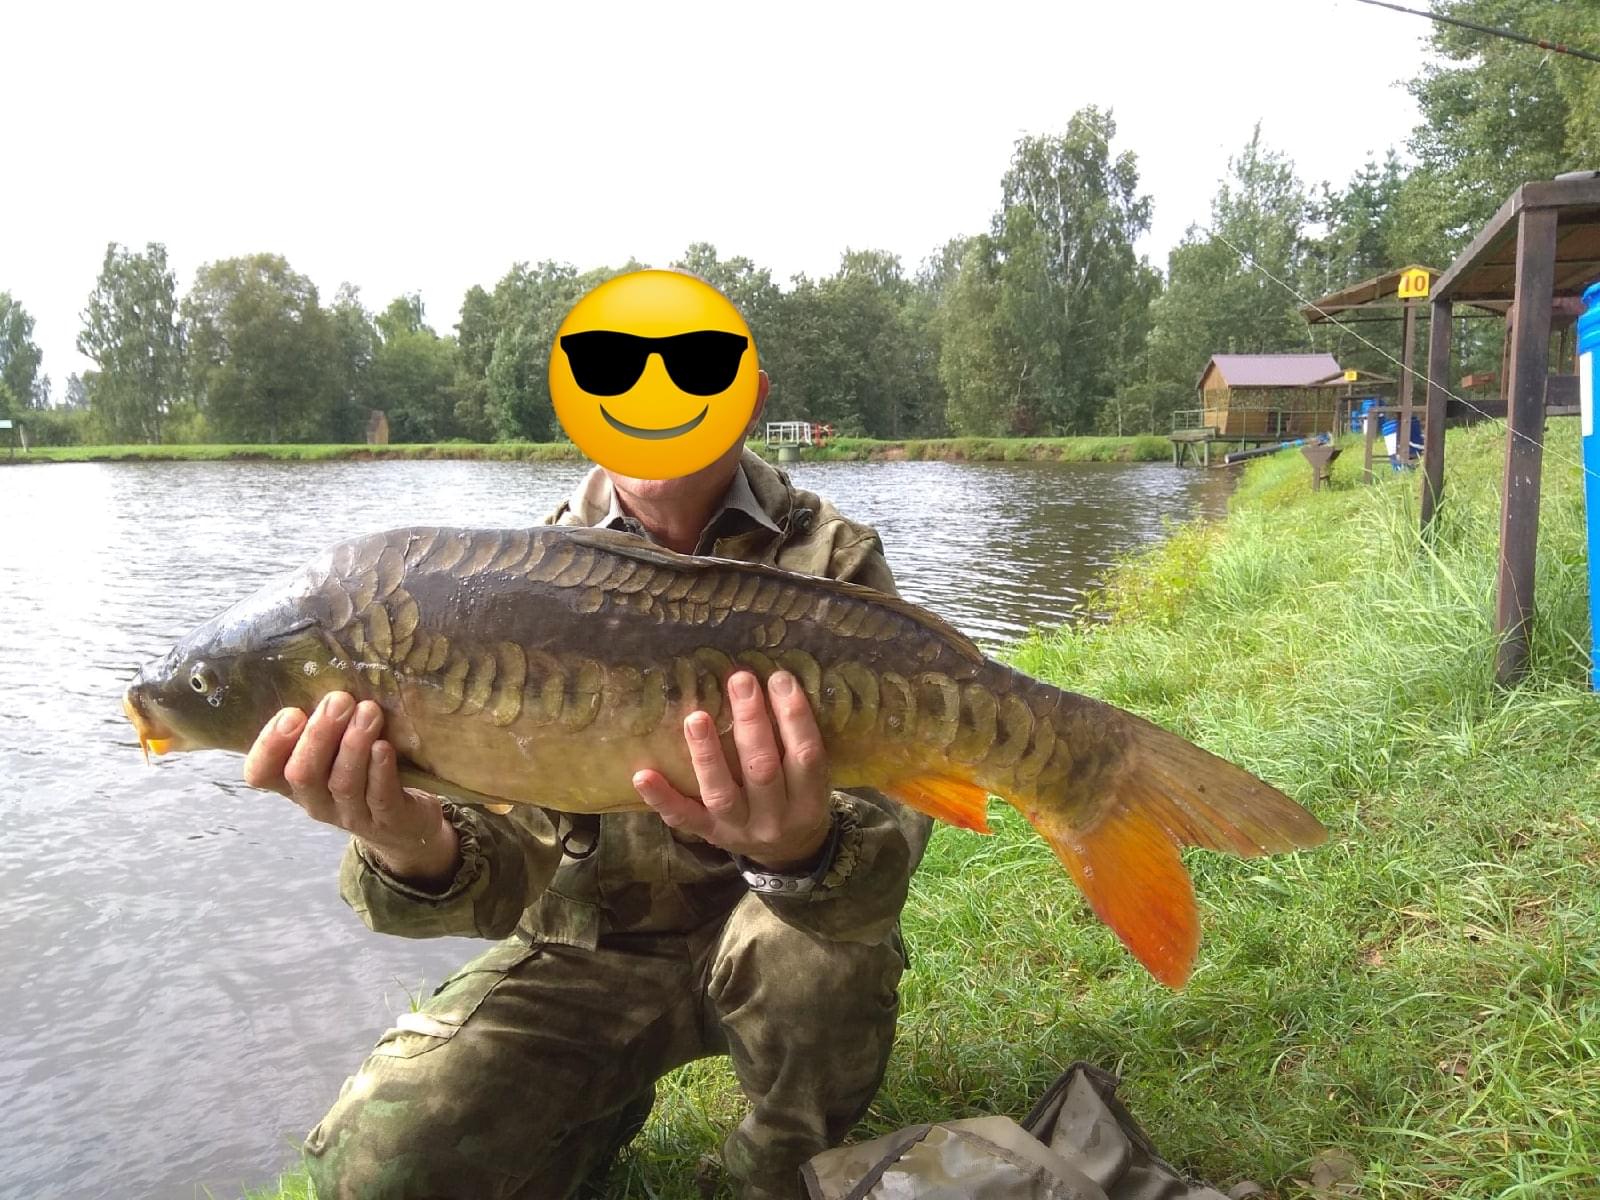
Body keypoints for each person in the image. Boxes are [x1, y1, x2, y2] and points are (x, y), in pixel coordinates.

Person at [242, 369, 932, 1200]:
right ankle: (590, 1108)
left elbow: (887, 854)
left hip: (775, 927)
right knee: (370, 1169)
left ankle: (780, 1171)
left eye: (691, 371)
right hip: (587, 955)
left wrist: (801, 850)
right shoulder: (498, 583)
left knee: (813, 961)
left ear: (749, 397)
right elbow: (509, 871)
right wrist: (405, 838)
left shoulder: (830, 559)